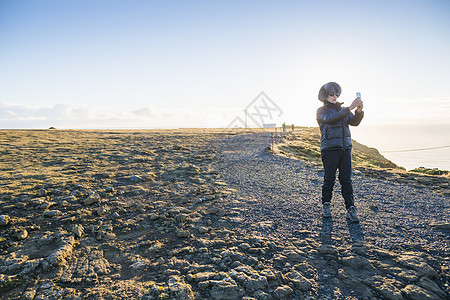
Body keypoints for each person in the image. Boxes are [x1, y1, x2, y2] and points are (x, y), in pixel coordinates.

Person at [316, 82, 364, 222]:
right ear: (325, 96)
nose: (334, 96)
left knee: (346, 180)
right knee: (329, 179)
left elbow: (354, 122)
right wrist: (349, 108)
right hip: (330, 149)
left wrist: (358, 112)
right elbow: (330, 120)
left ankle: (350, 209)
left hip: (345, 149)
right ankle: (326, 206)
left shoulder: (343, 110)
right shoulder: (321, 111)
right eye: (331, 94)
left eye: (336, 94)